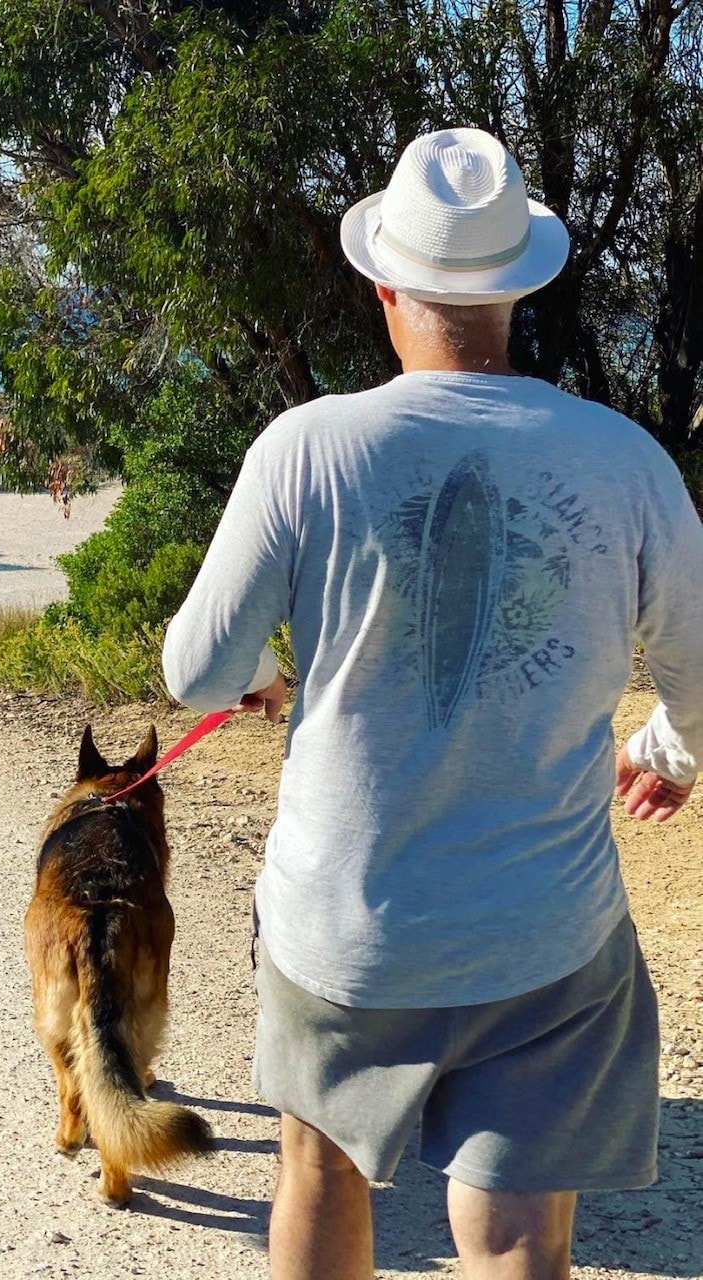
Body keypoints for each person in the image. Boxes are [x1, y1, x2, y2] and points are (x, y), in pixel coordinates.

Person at [161, 128, 703, 1280]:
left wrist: (265, 677)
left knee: (316, 1175)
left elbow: (195, 669)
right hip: (541, 928)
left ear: (381, 283)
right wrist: (666, 748)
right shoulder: (625, 461)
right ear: (519, 286)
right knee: (512, 1228)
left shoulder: (306, 447)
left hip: (343, 928)